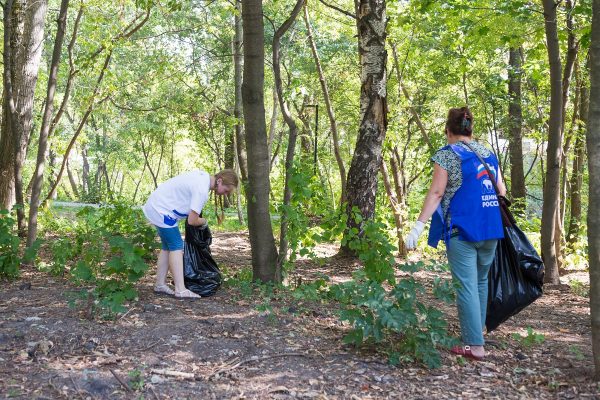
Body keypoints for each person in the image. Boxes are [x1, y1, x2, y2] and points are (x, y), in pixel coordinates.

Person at [404, 107, 506, 361]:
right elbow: (501, 191)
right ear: (470, 130)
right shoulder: (488, 154)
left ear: (448, 131)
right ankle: (477, 332)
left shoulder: (447, 155)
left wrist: (418, 226)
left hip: (463, 230)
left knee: (466, 286)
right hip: (491, 228)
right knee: (480, 281)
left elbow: (437, 193)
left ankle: (475, 345)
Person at [143, 169, 239, 299]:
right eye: (226, 190)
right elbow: (192, 221)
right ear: (219, 181)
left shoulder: (202, 177)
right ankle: (180, 290)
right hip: (161, 209)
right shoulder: (201, 190)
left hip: (157, 205)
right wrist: (204, 221)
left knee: (167, 246)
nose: (224, 194)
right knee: (177, 246)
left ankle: (160, 285)